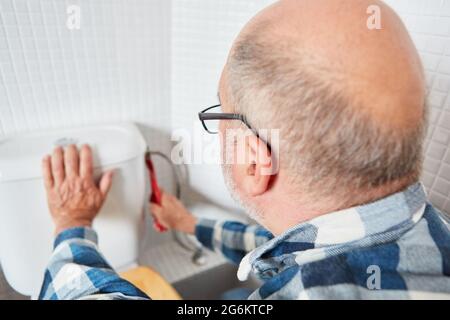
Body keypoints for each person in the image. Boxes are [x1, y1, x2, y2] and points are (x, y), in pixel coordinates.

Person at [39, 0, 450, 300]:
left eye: (222, 114)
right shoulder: (432, 234)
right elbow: (303, 246)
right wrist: (190, 225)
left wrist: (72, 221)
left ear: (255, 160)